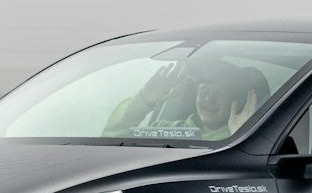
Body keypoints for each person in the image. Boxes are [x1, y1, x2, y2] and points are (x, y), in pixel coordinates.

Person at [104, 59, 262, 140]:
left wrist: (241, 134)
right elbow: (112, 140)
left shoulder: (241, 137)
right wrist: (145, 99)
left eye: (221, 93)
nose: (209, 99)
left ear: (240, 101)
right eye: (204, 90)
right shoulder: (163, 130)